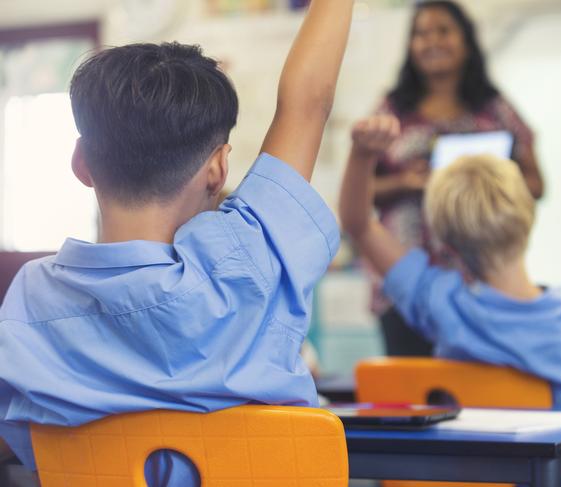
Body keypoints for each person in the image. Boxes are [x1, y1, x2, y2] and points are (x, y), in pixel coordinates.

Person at [0, 1, 354, 485]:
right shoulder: (252, 258)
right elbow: (308, 102)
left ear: (81, 162)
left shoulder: (29, 299)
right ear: (219, 168)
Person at [339, 114, 561, 487]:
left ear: (446, 244)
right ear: (528, 218)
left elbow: (358, 224)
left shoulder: (441, 303)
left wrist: (362, 154)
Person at [364, 0, 544, 356]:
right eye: (421, 34)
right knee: (410, 396)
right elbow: (359, 190)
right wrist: (406, 183)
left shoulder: (495, 108)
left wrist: (488, 180)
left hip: (481, 279)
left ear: (465, 41)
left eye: (443, 31)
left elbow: (536, 184)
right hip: (404, 280)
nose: (431, 41)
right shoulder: (392, 109)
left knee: (481, 395)